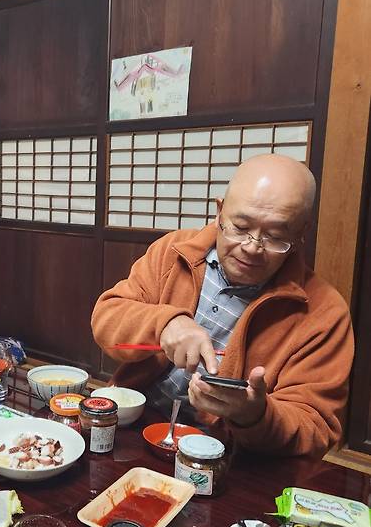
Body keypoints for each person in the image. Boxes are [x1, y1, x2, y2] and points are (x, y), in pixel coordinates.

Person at [91, 154, 354, 456]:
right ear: (220, 212)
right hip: (136, 424)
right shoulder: (174, 252)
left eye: (275, 236)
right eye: (240, 227)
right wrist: (164, 324)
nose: (252, 247)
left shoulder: (324, 312)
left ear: (300, 234)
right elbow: (107, 318)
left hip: (230, 456)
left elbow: (316, 426)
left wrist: (255, 415)